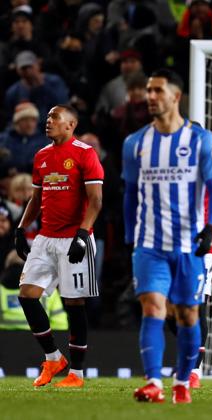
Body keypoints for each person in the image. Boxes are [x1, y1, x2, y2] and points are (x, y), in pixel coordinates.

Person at [122, 68, 212, 404]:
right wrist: (129, 236)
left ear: (176, 96)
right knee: (153, 308)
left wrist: (211, 228)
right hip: (149, 244)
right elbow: (129, 193)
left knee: (188, 315)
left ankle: (183, 381)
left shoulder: (200, 139)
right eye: (148, 91)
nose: (150, 96)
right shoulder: (135, 143)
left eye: (157, 90)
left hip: (189, 244)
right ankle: (153, 381)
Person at [15, 104, 104, 388]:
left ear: (71, 124)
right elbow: (36, 198)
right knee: (27, 294)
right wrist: (21, 229)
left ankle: (76, 374)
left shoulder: (85, 153)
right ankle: (53, 357)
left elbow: (96, 200)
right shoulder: (41, 156)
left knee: (73, 303)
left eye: (55, 117)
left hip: (74, 237)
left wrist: (82, 234)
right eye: (48, 116)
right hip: (45, 237)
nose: (48, 121)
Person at [164, 164, 212, 389]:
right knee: (167, 310)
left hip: (202, 250)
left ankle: (194, 370)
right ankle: (190, 350)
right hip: (171, 245)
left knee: (198, 306)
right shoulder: (169, 161)